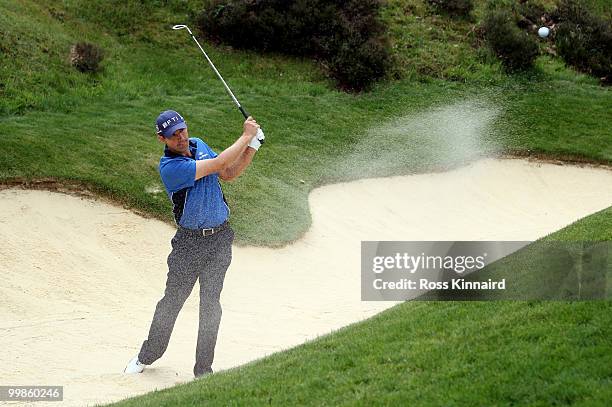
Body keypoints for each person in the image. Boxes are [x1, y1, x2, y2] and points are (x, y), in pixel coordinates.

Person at [124, 110, 263, 378]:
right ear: (161, 138)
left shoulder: (199, 144)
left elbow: (228, 172)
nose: (181, 137)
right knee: (172, 302)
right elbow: (218, 162)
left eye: (182, 130)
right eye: (173, 135)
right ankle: (146, 356)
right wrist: (246, 135)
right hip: (189, 244)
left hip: (220, 239)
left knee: (211, 305)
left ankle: (203, 370)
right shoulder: (170, 168)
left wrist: (252, 146)